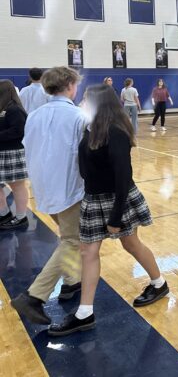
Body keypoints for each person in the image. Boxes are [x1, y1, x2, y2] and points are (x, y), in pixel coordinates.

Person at [47, 84, 168, 336]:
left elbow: (123, 178)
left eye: (86, 101)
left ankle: (159, 283)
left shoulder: (116, 132)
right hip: (93, 198)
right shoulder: (89, 128)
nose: (81, 104)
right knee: (88, 251)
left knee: (131, 244)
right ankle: (85, 313)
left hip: (117, 198)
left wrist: (115, 216)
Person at [10, 67, 86, 324]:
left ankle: (72, 281)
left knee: (67, 236)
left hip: (43, 187)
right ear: (70, 86)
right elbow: (84, 156)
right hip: (69, 188)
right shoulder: (77, 115)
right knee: (73, 240)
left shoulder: (34, 115)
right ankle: (34, 296)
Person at [0, 80, 30, 231]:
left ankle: (21, 217)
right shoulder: (3, 107)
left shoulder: (15, 109)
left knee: (17, 186)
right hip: (2, 152)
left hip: (13, 152)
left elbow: (19, 130)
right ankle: (4, 213)